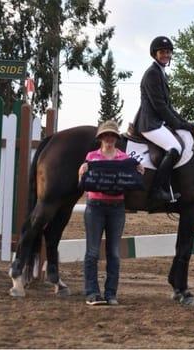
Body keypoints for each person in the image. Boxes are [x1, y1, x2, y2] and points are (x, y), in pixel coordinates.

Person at [78, 120, 144, 306]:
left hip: (117, 209)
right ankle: (92, 293)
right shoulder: (91, 157)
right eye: (106, 135)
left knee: (114, 253)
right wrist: (82, 171)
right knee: (92, 252)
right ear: (101, 137)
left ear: (116, 138)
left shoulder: (124, 159)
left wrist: (139, 170)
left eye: (112, 136)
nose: (109, 139)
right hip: (95, 207)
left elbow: (136, 175)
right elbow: (82, 180)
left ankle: (111, 293)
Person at [132, 36, 194, 201]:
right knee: (175, 148)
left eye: (168, 52)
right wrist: (178, 124)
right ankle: (157, 191)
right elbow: (160, 107)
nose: (166, 55)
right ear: (155, 54)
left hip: (157, 121)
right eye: (162, 52)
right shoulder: (152, 73)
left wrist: (183, 123)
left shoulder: (161, 72)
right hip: (149, 123)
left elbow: (169, 106)